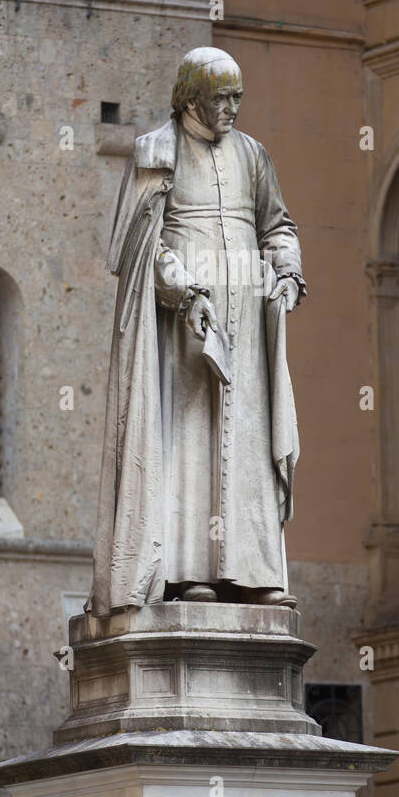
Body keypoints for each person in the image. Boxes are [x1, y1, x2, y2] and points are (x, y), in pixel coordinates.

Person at [88, 46, 305, 615]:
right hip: (184, 324)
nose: (232, 108)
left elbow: (277, 225)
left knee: (247, 438)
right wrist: (182, 289)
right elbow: (139, 246)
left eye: (238, 97)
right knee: (187, 436)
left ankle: (252, 570)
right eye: (221, 98)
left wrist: (287, 270)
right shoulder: (156, 153)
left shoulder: (254, 156)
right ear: (191, 97)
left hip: (249, 323)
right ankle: (188, 570)